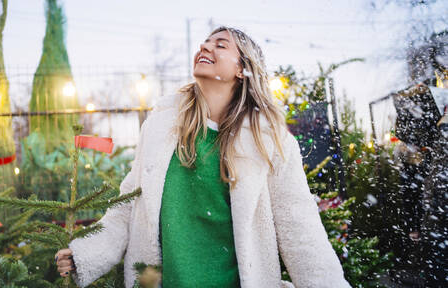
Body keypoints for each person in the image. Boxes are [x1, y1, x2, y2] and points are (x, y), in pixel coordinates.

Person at [55, 26, 351, 288]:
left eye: (220, 45)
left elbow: (300, 231)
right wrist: (87, 254)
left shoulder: (270, 142)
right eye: (205, 42)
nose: (205, 47)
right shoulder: (160, 129)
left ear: (242, 69)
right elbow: (127, 206)